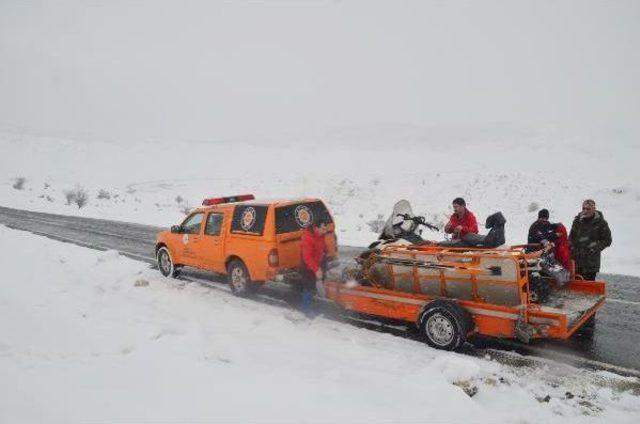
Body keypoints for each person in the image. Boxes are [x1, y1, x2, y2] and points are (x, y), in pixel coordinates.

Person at [569, 199, 612, 281]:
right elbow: (571, 237)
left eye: (588, 209)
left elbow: (607, 240)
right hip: (576, 260)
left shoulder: (601, 223)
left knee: (588, 288)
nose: (585, 211)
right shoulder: (577, 221)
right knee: (575, 287)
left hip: (590, 262)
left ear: (594, 209)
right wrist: (571, 246)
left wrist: (595, 247)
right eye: (583, 208)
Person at [300, 220, 328, 317]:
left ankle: (313, 304)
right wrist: (316, 269)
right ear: (316, 228)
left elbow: (322, 248)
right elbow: (307, 257)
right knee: (309, 288)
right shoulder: (308, 238)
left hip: (317, 263)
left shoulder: (320, 235)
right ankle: (306, 310)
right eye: (323, 228)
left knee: (315, 286)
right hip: (308, 266)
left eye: (325, 228)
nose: (325, 231)